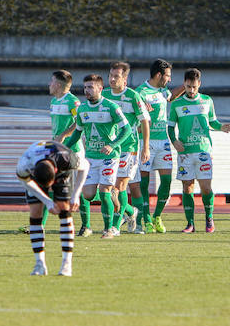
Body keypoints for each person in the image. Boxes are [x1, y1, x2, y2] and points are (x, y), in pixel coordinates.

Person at [19, 70, 93, 236]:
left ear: (58, 84)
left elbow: (80, 121)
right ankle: (40, 225)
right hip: (56, 150)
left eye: (51, 81)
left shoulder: (73, 102)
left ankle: (87, 225)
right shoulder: (53, 101)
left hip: (73, 150)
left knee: (77, 188)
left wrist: (64, 135)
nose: (49, 84)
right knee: (50, 185)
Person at [63, 74, 131, 239]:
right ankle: (113, 195)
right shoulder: (82, 109)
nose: (87, 90)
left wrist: (112, 145)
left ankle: (108, 230)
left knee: (104, 190)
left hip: (109, 157)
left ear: (100, 88)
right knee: (88, 195)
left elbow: (127, 129)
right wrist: (64, 148)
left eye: (91, 87)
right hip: (91, 158)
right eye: (85, 87)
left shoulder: (111, 107)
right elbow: (77, 133)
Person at [168, 68, 230, 233]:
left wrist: (222, 127)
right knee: (187, 187)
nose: (191, 90)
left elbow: (213, 122)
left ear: (199, 84)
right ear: (184, 84)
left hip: (203, 151)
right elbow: (170, 127)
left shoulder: (207, 100)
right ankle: (190, 223)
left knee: (206, 188)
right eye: (188, 87)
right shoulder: (176, 104)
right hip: (185, 152)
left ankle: (209, 218)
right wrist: (174, 141)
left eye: (194, 87)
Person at [16, 141, 87, 276]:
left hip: (60, 169)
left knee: (64, 209)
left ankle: (66, 264)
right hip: (38, 167)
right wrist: (47, 201)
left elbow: (86, 166)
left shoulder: (66, 158)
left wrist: (76, 195)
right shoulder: (25, 164)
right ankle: (39, 264)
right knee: (35, 212)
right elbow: (25, 181)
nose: (49, 189)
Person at [136, 59, 185, 233]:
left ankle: (157, 216)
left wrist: (186, 86)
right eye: (168, 76)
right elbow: (132, 118)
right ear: (158, 75)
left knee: (166, 181)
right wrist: (142, 113)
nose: (169, 79)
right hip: (145, 142)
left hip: (163, 142)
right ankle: (146, 218)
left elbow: (171, 96)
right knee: (144, 182)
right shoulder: (140, 92)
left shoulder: (163, 91)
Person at [102, 62, 151, 234]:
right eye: (110, 75)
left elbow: (145, 121)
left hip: (128, 147)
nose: (112, 79)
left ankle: (115, 227)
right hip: (109, 148)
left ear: (125, 79)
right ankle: (130, 211)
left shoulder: (133, 96)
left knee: (120, 186)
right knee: (108, 189)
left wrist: (146, 147)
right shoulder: (104, 95)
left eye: (116, 76)